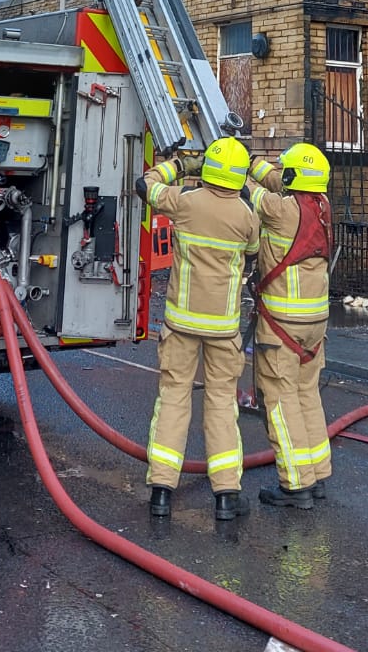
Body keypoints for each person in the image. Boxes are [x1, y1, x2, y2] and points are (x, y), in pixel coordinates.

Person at [136, 136, 260, 520]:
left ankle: (161, 491)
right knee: (222, 404)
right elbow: (253, 254)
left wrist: (179, 166)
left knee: (173, 398)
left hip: (181, 323)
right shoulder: (246, 216)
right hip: (223, 329)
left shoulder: (185, 202)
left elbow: (145, 184)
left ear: (207, 170)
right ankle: (226, 495)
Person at [247, 142, 333, 509]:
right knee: (306, 394)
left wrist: (232, 161)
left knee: (281, 401)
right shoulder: (322, 206)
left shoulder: (280, 210)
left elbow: (243, 189)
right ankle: (317, 474)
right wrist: (254, 161)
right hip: (314, 326)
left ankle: (295, 485)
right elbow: (277, 182)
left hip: (282, 325)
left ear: (294, 176)